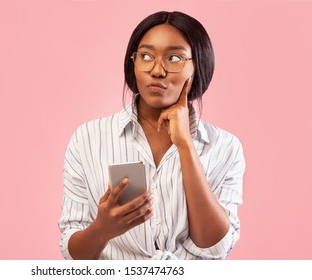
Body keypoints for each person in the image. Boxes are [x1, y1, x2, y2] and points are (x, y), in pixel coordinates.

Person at [58, 11, 245, 260]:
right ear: (132, 64)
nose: (157, 70)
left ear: (197, 66)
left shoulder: (225, 148)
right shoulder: (88, 139)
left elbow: (215, 247)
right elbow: (73, 255)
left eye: (174, 58)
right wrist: (102, 230)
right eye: (146, 56)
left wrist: (185, 145)